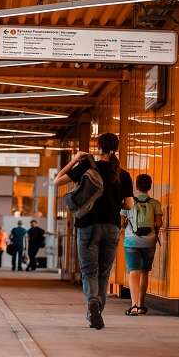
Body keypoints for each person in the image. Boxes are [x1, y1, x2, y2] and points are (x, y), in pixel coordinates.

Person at [54, 133, 134, 330]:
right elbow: (129, 205)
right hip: (112, 227)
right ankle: (97, 307)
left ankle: (92, 303)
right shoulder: (122, 174)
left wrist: (74, 159)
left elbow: (57, 181)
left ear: (99, 148)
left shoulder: (87, 167)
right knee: (104, 271)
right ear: (116, 148)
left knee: (89, 270)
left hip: (87, 225)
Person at [121, 174, 163, 316]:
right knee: (144, 272)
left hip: (131, 241)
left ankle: (133, 306)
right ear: (149, 186)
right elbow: (159, 223)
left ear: (136, 186)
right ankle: (141, 305)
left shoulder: (129, 202)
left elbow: (122, 222)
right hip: (149, 241)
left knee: (134, 271)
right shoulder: (155, 203)